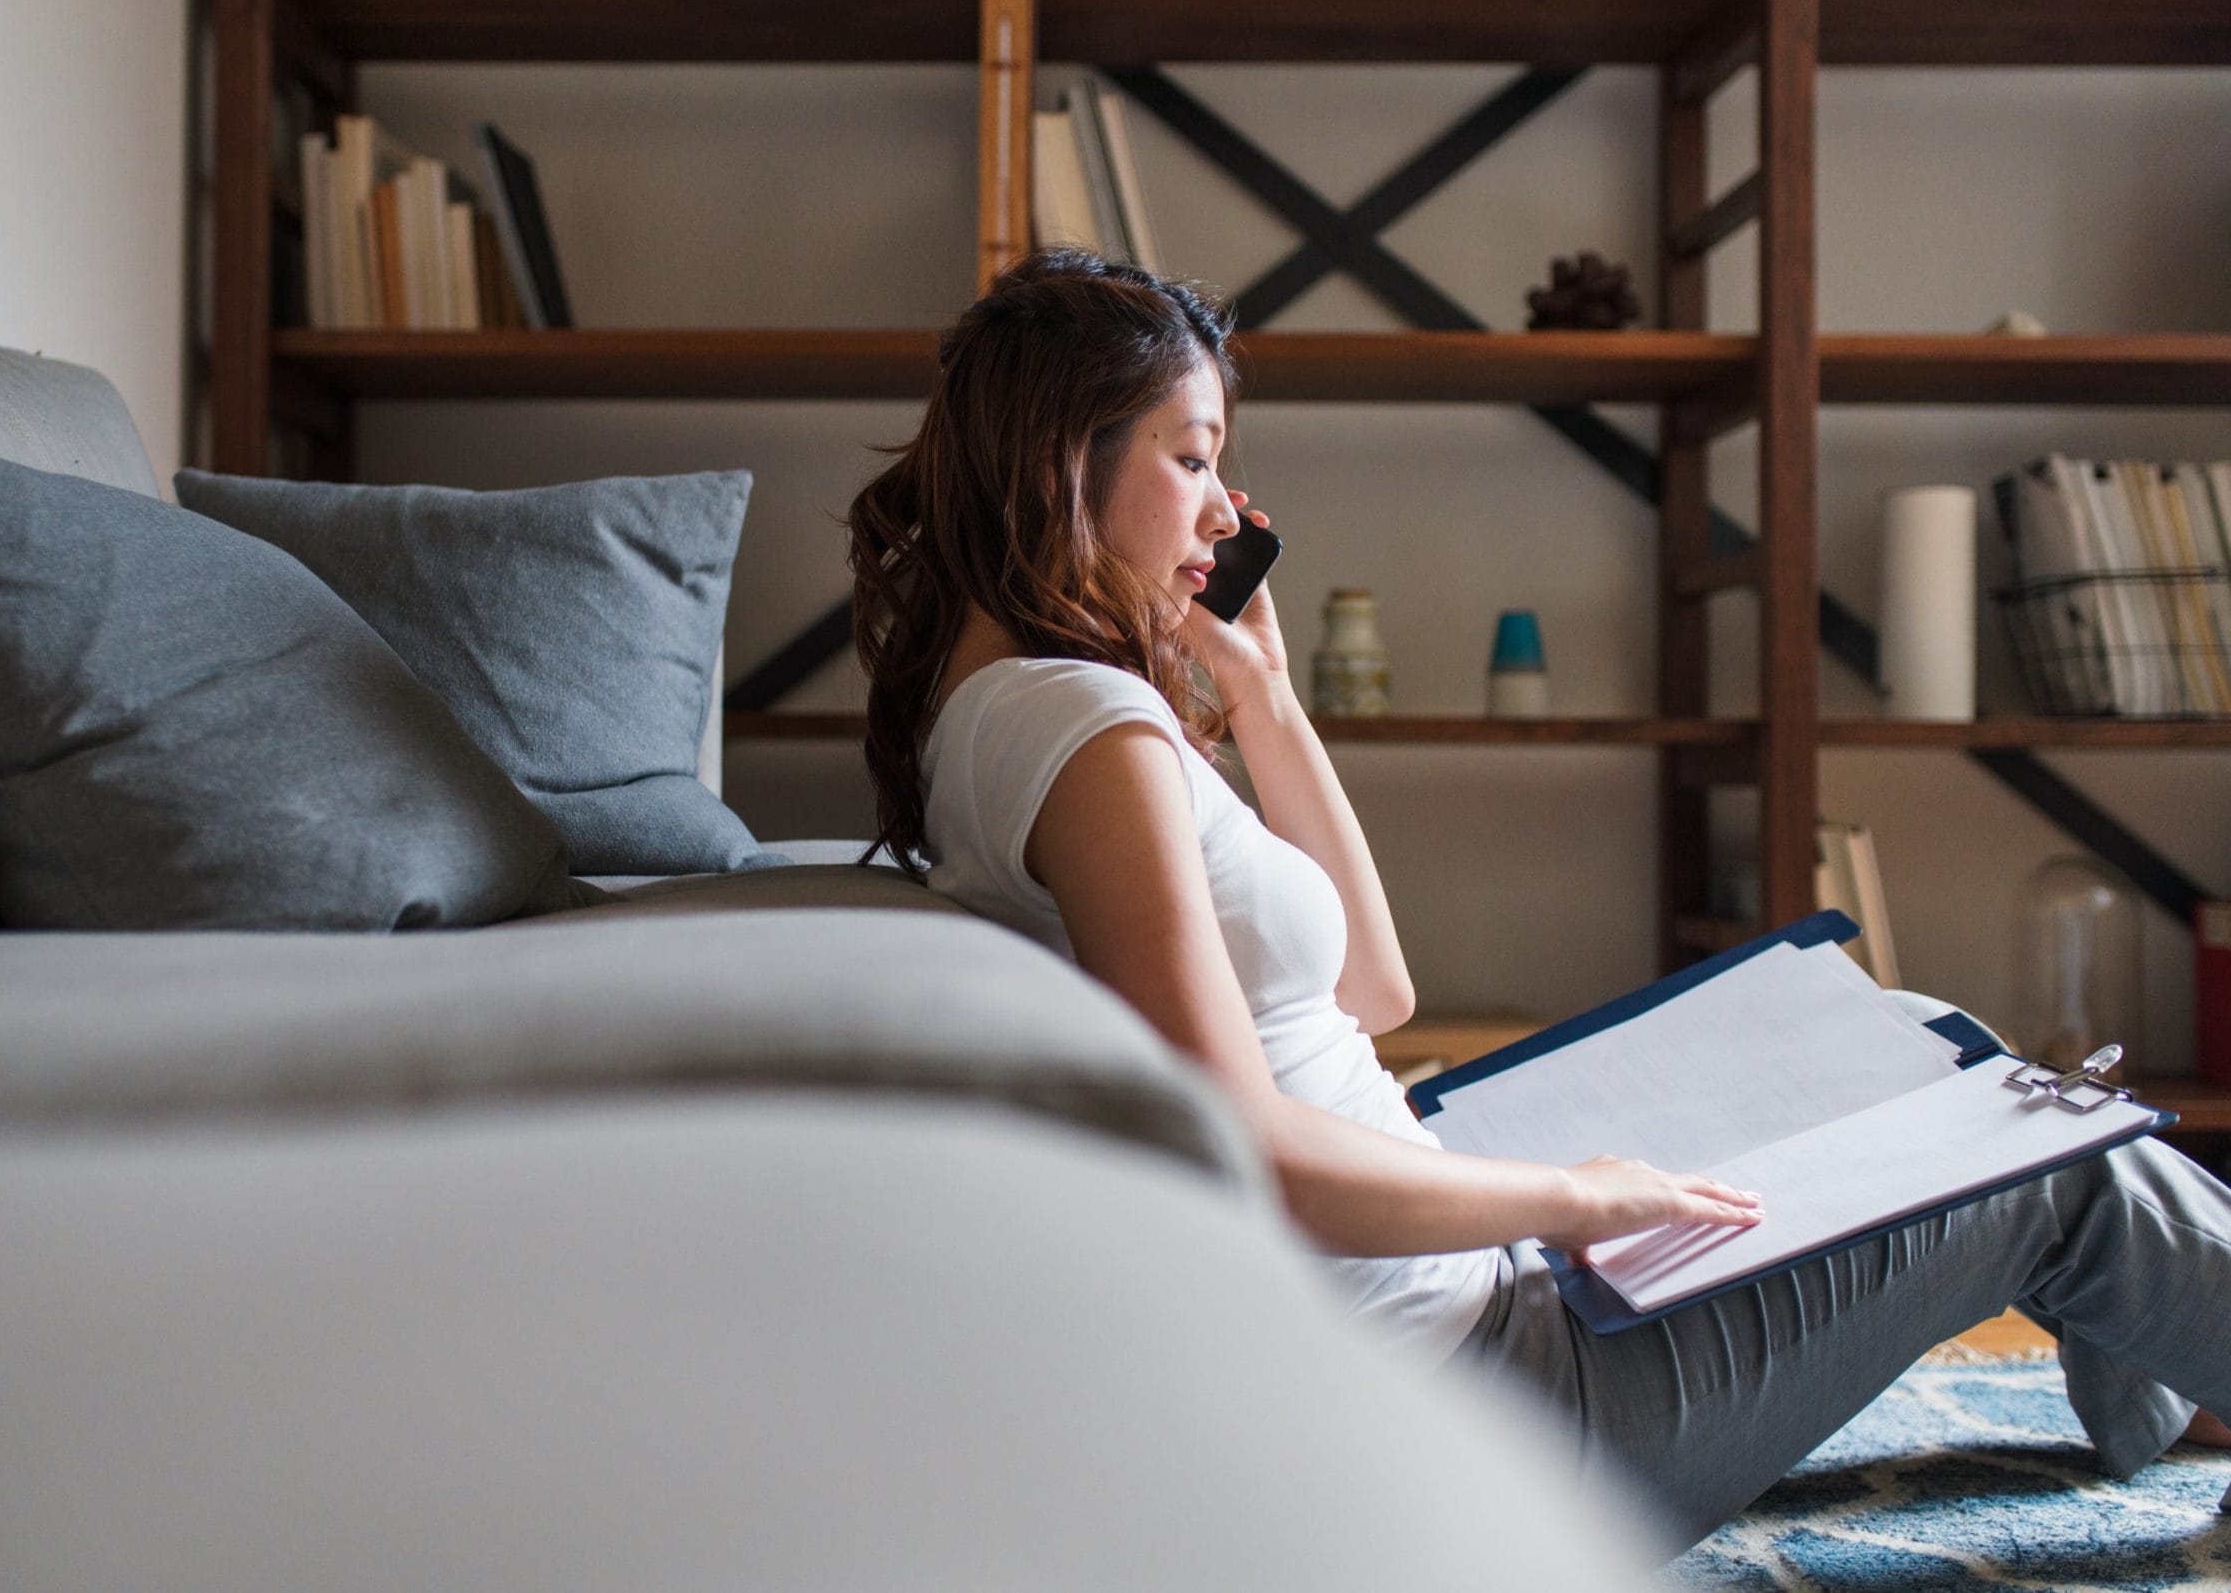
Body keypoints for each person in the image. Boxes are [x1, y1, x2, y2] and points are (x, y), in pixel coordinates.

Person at [845, 247, 2231, 1554]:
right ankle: (2168, 1346)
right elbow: (1252, 1153)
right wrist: (1577, 1197)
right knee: (2059, 1158)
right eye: (1193, 458)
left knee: (1926, 1043)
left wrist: (1264, 698)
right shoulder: (1090, 736)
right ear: (1056, 465)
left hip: (1462, 1311)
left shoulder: (1007, 713)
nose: (1224, 510)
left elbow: (1374, 994)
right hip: (1496, 1402)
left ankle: (2167, 1374)